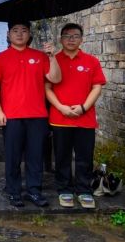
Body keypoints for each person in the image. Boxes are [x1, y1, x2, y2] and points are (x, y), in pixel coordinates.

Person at [0, 20, 61, 207]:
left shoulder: (40, 56)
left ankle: (34, 191)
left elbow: (55, 78)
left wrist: (52, 57)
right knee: (12, 157)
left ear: (29, 34)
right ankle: (14, 191)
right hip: (11, 115)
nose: (19, 34)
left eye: (24, 30)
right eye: (15, 30)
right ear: (8, 35)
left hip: (37, 115)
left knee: (35, 155)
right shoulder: (1, 58)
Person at [45, 23, 106, 209]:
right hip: (60, 118)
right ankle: (64, 188)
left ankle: (83, 190)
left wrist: (83, 107)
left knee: (84, 156)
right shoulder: (53, 60)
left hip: (85, 119)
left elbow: (97, 87)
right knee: (62, 156)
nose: (71, 39)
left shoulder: (91, 61)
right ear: (60, 39)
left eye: (75, 36)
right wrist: (61, 107)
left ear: (82, 39)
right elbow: (47, 88)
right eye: (67, 36)